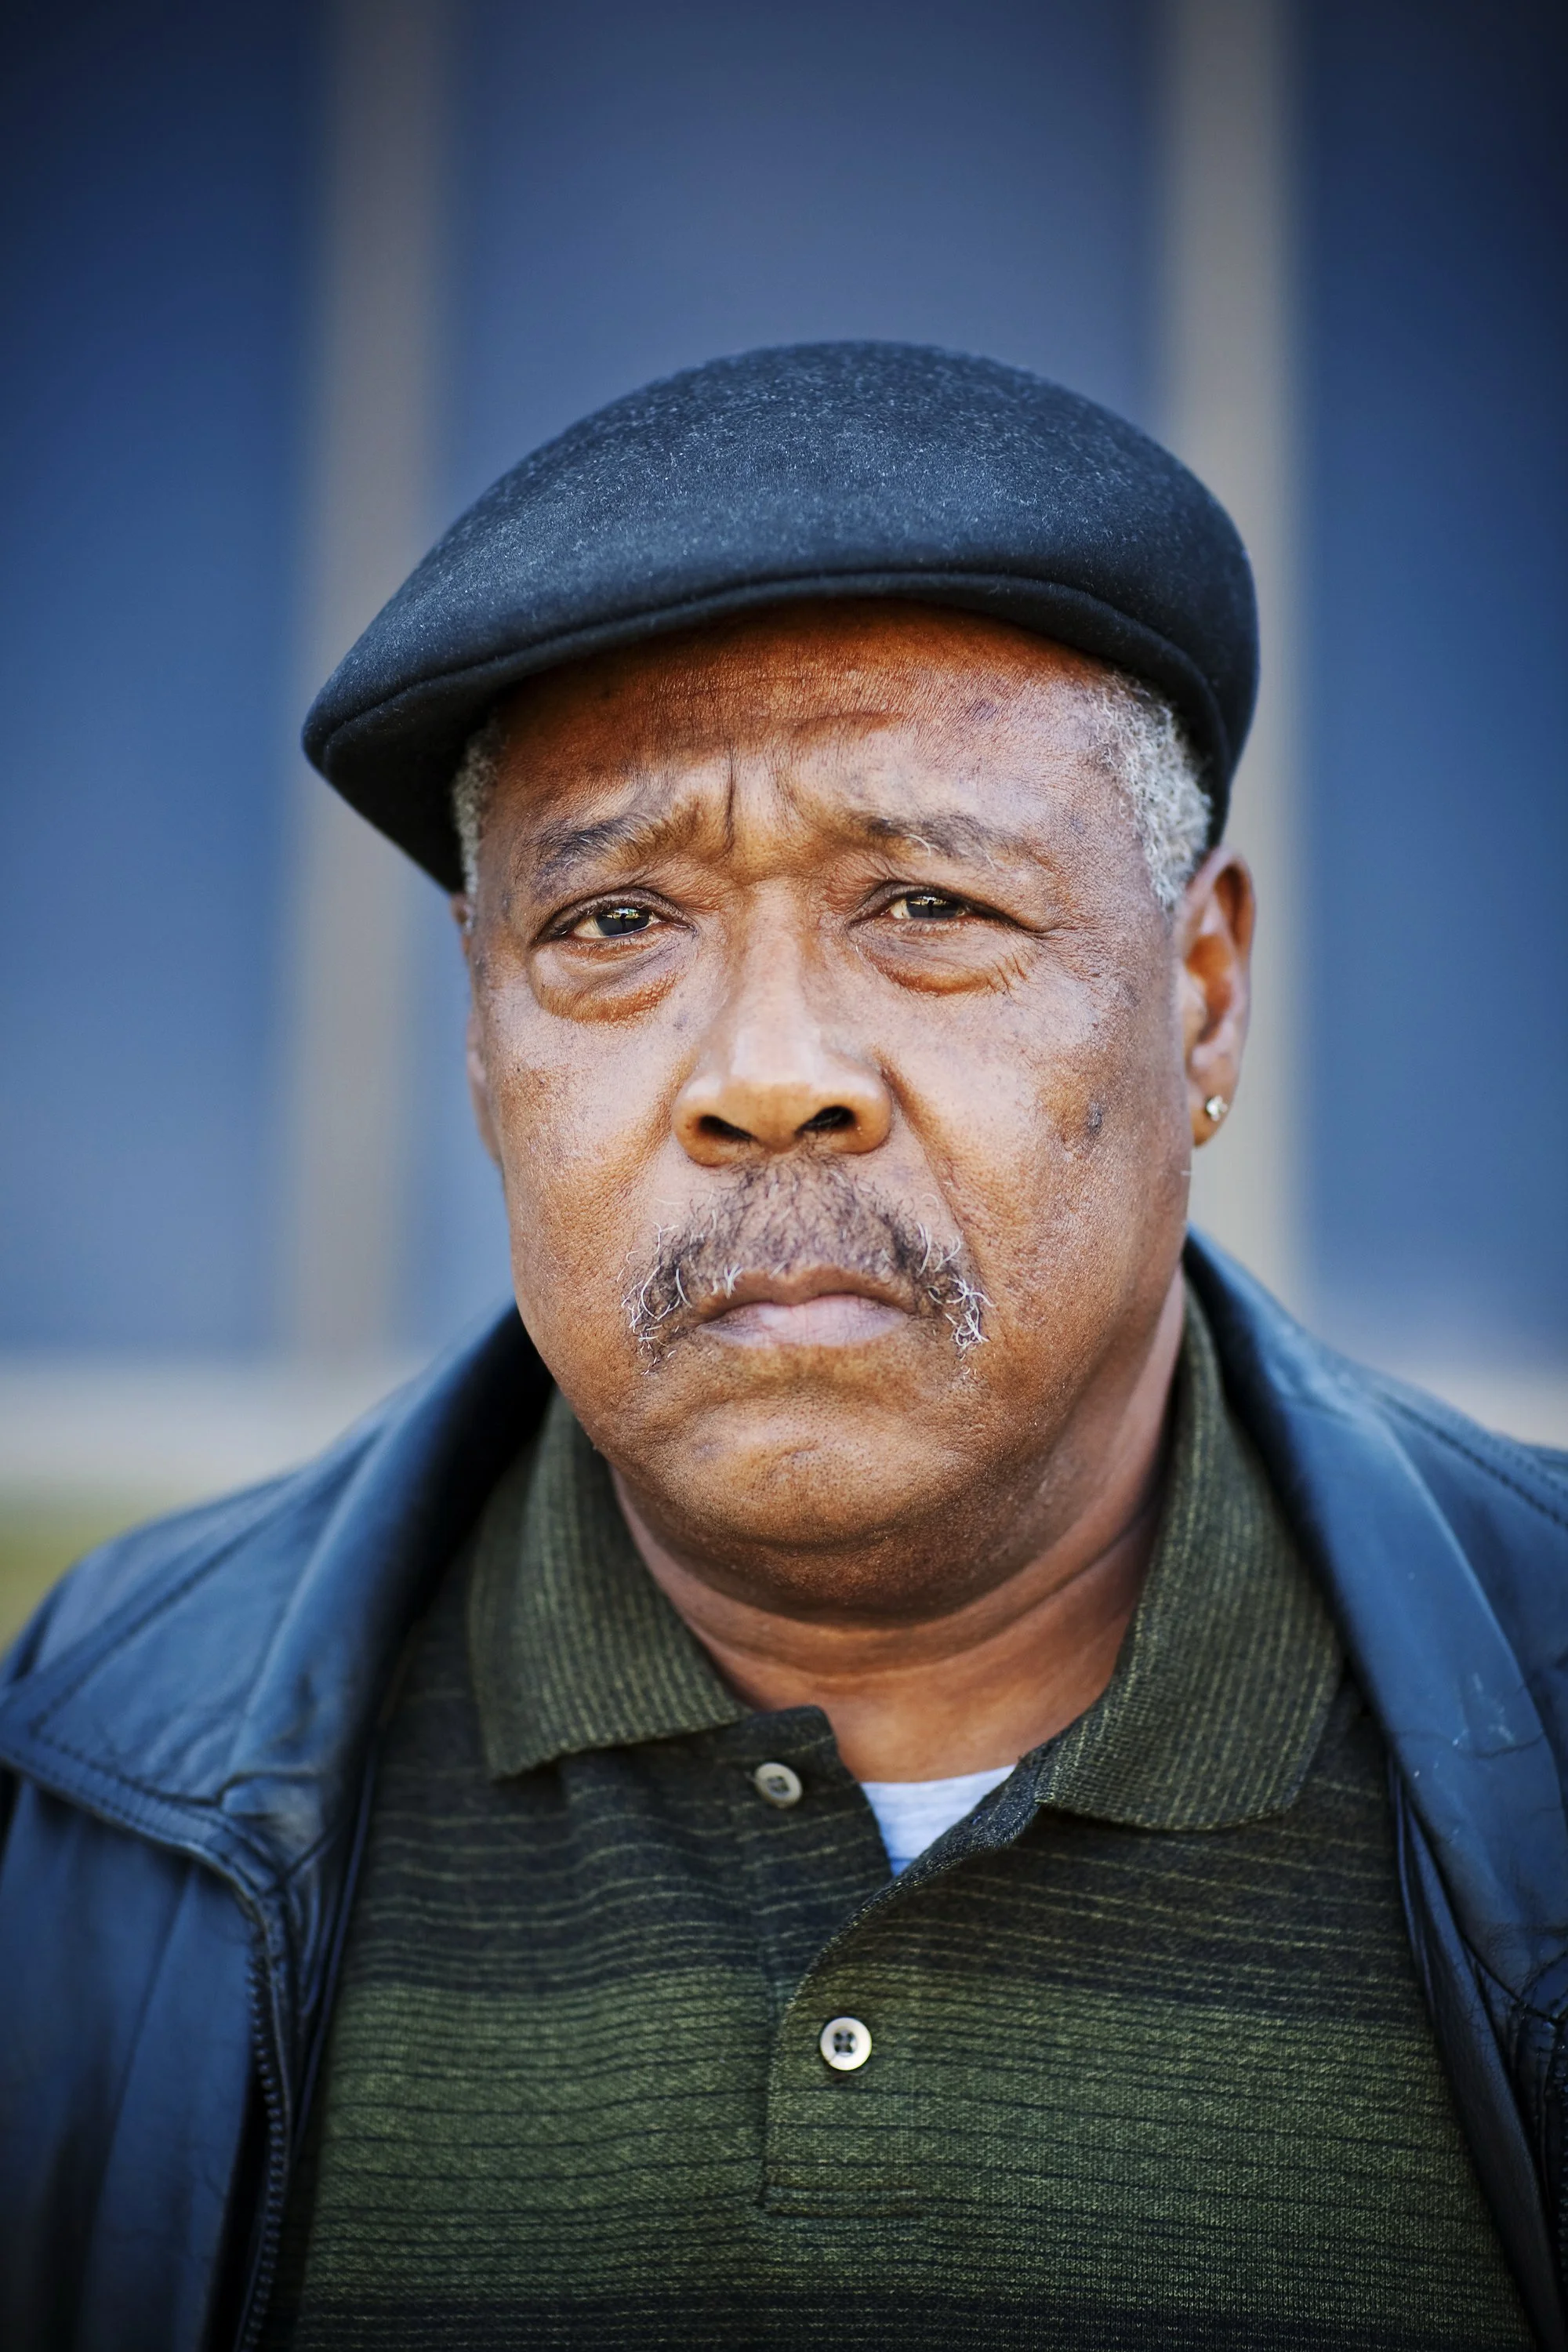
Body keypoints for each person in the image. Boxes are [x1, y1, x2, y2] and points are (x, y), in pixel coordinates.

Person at [1, 344, 1563, 2352]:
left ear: (1200, 999)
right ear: (481, 1046)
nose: (765, 1075)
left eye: (922, 900)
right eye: (615, 925)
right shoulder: (94, 1792)